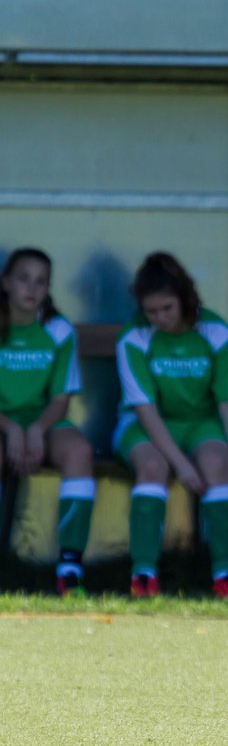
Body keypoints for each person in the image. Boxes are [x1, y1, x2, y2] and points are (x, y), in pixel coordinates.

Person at [114, 252, 228, 598]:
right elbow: (144, 409)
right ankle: (143, 575)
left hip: (200, 424)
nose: (158, 318)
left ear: (185, 298)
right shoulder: (134, 337)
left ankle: (226, 575)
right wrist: (182, 466)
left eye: (166, 309)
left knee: (219, 464)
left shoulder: (216, 332)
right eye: (150, 311)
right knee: (153, 467)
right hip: (144, 425)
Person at [0, 248, 96, 595]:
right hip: (3, 423)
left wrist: (36, 430)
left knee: (80, 452)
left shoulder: (57, 330)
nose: (32, 288)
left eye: (41, 282)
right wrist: (11, 430)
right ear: (6, 282)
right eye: (24, 278)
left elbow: (61, 399)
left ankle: (69, 568)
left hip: (43, 421)